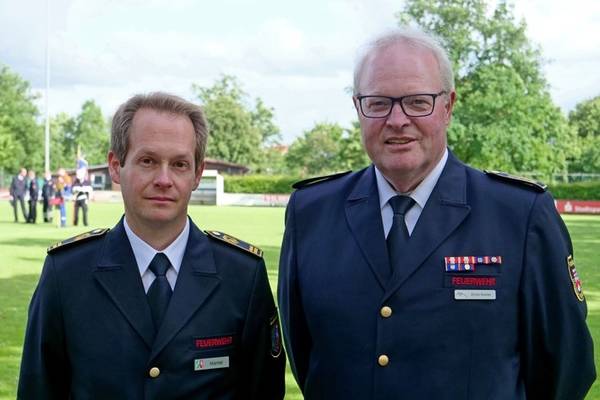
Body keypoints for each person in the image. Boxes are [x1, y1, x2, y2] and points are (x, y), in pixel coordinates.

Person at [278, 27, 595, 400]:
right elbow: (306, 355)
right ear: (358, 108)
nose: (397, 119)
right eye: (378, 103)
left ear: (448, 106)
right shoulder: (311, 212)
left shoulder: (520, 214)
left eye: (417, 102)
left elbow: (565, 367)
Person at [19, 92, 285, 399]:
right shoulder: (67, 273)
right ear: (115, 166)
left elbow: (264, 391)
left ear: (197, 174)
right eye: (148, 161)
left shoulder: (242, 275)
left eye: (180, 164)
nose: (164, 179)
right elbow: (38, 389)